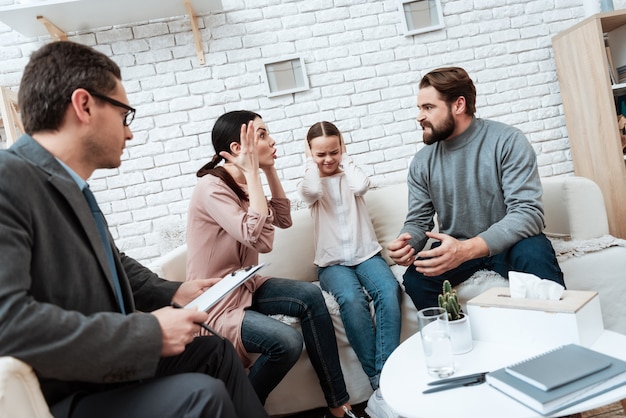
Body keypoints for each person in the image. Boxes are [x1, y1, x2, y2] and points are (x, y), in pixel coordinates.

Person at [0, 40, 267, 418]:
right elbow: (7, 321)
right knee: (201, 395)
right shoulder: (7, 178)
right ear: (84, 105)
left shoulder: (69, 185)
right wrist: (149, 335)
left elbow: (113, 262)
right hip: (60, 392)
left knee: (216, 351)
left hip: (98, 371)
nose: (130, 134)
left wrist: (174, 291)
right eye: (125, 116)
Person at [186, 110, 361, 418]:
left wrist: (267, 171)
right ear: (239, 148)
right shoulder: (211, 188)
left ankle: (337, 404)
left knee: (310, 296)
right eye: (263, 135)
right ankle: (241, 411)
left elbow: (283, 219)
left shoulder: (244, 185)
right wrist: (255, 174)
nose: (273, 140)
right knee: (286, 341)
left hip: (246, 284)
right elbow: (259, 238)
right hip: (217, 299)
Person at [387, 66, 565, 311]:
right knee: (417, 279)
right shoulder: (421, 162)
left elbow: (528, 214)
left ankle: (559, 339)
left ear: (458, 105)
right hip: (456, 243)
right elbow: (418, 221)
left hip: (510, 242)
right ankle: (458, 337)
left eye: (428, 107)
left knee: (536, 257)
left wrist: (467, 249)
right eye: (419, 108)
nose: (419, 116)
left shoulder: (508, 141)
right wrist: (408, 243)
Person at [298, 121, 402, 418]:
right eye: (321, 154)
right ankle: (380, 382)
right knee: (352, 299)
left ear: (341, 148)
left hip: (366, 254)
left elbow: (361, 186)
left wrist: (345, 158)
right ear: (310, 154)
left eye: (334, 152)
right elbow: (313, 188)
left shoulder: (350, 176)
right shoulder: (309, 183)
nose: (328, 159)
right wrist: (310, 162)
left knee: (388, 289)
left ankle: (385, 378)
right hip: (331, 264)